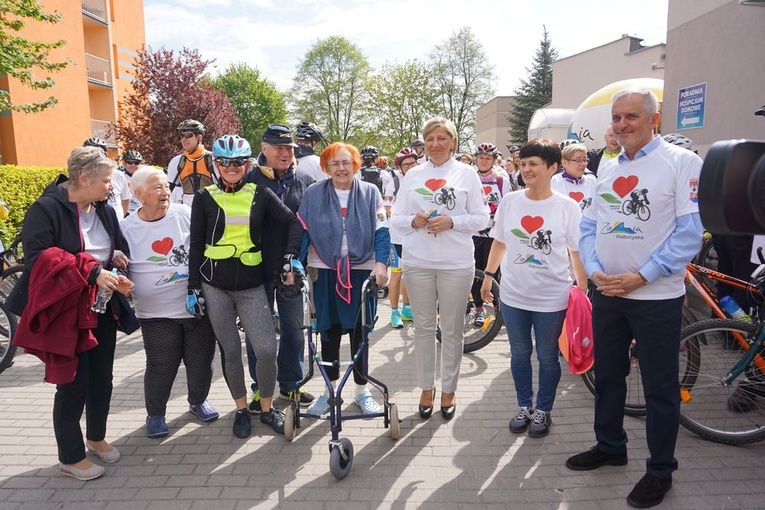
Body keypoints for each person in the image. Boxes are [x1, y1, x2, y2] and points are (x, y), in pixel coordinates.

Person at [565, 88, 703, 509]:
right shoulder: (606, 167)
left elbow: (689, 233)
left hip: (656, 296)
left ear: (653, 119)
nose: (622, 124)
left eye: (631, 117)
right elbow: (589, 226)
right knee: (607, 376)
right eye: (617, 117)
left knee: (660, 387)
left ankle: (660, 471)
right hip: (608, 293)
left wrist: (642, 277)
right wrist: (595, 272)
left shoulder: (681, 163)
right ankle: (610, 446)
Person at [8, 146, 136, 481]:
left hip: (102, 306)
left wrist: (117, 256)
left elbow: (114, 243)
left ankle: (96, 437)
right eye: (107, 180)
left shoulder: (105, 209)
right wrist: (91, 271)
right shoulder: (46, 209)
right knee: (73, 383)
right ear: (84, 178)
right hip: (66, 312)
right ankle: (70, 456)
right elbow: (38, 261)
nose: (113, 187)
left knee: (102, 379)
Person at [188, 134, 304, 438]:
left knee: (266, 349)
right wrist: (193, 287)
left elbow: (294, 223)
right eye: (224, 161)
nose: (231, 167)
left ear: (247, 163)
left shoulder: (260, 193)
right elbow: (197, 245)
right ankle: (241, 409)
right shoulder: (204, 197)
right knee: (230, 352)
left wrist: (290, 258)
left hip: (252, 285)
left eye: (238, 161)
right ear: (215, 163)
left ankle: (267, 409)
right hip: (215, 286)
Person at [480, 138, 587, 438]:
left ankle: (544, 410)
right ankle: (524, 406)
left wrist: (583, 290)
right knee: (519, 353)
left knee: (548, 356)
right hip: (514, 294)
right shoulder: (511, 201)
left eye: (533, 164)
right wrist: (489, 276)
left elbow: (576, 252)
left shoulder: (567, 207)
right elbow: (500, 240)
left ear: (553, 167)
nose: (526, 169)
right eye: (523, 164)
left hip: (552, 296)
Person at [390, 117, 489, 421]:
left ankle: (449, 389)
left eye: (442, 138)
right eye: (430, 138)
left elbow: (483, 217)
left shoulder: (467, 174)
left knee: (452, 330)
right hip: (418, 262)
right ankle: (425, 387)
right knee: (421, 328)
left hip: (456, 264)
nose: (435, 144)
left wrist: (453, 222)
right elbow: (395, 217)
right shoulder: (413, 175)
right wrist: (413, 221)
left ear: (453, 142)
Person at [120, 167, 219, 438]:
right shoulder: (126, 228)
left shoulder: (185, 215)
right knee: (162, 364)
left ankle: (198, 401)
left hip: (196, 306)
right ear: (137, 193)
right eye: (156, 187)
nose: (164, 192)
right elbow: (116, 263)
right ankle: (156, 414)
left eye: (166, 186)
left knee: (201, 361)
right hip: (155, 312)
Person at [298, 142, 390, 415]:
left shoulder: (371, 193)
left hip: (363, 269)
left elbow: (382, 230)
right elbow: (303, 231)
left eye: (346, 162)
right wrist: (295, 263)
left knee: (360, 332)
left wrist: (383, 263)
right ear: (325, 167)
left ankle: (362, 391)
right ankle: (329, 392)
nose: (341, 168)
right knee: (329, 331)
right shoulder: (313, 194)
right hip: (323, 269)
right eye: (335, 163)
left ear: (356, 165)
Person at [244, 124, 316, 413]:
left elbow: (310, 224)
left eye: (289, 148)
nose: (286, 153)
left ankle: (290, 384)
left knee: (294, 331)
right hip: (255, 271)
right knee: (257, 335)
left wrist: (300, 261)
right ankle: (260, 388)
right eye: (279, 148)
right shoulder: (248, 180)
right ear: (264, 148)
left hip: (291, 269)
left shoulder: (305, 180)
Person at [470, 143, 509, 327]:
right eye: (481, 158)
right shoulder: (471, 178)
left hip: (494, 234)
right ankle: (478, 309)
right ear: (476, 159)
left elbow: (507, 205)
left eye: (488, 158)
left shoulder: (502, 179)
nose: (484, 161)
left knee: (493, 271)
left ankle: (497, 307)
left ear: (494, 160)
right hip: (474, 233)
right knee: (475, 271)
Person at [387, 148, 418, 328]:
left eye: (413, 163)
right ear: (400, 167)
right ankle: (393, 311)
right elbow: (389, 210)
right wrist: (409, 221)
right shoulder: (395, 182)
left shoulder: (421, 179)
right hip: (398, 237)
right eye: (406, 164)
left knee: (409, 275)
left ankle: (407, 308)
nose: (410, 166)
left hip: (415, 237)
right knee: (397, 276)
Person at [167, 119, 216, 208]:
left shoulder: (213, 159)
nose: (184, 140)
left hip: (210, 212)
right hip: (188, 214)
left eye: (188, 135)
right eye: (182, 136)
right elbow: (167, 191)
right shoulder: (177, 162)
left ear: (199, 137)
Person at [83, 137, 130, 219]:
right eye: (92, 154)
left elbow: (125, 199)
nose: (96, 158)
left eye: (100, 154)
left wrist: (119, 218)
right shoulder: (81, 176)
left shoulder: (118, 175)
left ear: (106, 155)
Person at [551, 143, 597, 212]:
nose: (583, 164)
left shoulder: (591, 181)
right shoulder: (556, 181)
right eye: (578, 160)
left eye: (585, 160)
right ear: (564, 163)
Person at [121, 149, 146, 216]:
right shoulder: (120, 177)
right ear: (124, 163)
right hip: (126, 213)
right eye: (129, 162)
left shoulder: (145, 178)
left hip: (141, 213)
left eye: (136, 163)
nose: (133, 165)